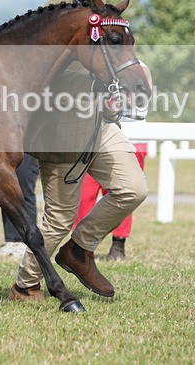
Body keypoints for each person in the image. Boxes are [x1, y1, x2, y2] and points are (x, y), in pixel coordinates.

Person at [9, 0, 149, 301]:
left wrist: (115, 91)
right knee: (58, 219)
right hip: (60, 130)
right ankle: (25, 285)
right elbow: (34, 78)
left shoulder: (105, 13)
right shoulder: (47, 16)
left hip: (100, 125)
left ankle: (79, 251)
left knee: (133, 188)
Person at [72, 62, 152, 261]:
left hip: (132, 137)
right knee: (84, 194)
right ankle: (80, 245)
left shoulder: (140, 68)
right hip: (97, 136)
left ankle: (118, 244)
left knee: (124, 193)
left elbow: (137, 101)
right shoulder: (95, 67)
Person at [0, 154, 39, 259]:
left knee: (25, 192)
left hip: (27, 148)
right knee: (6, 193)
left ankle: (26, 242)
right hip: (6, 145)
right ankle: (12, 240)